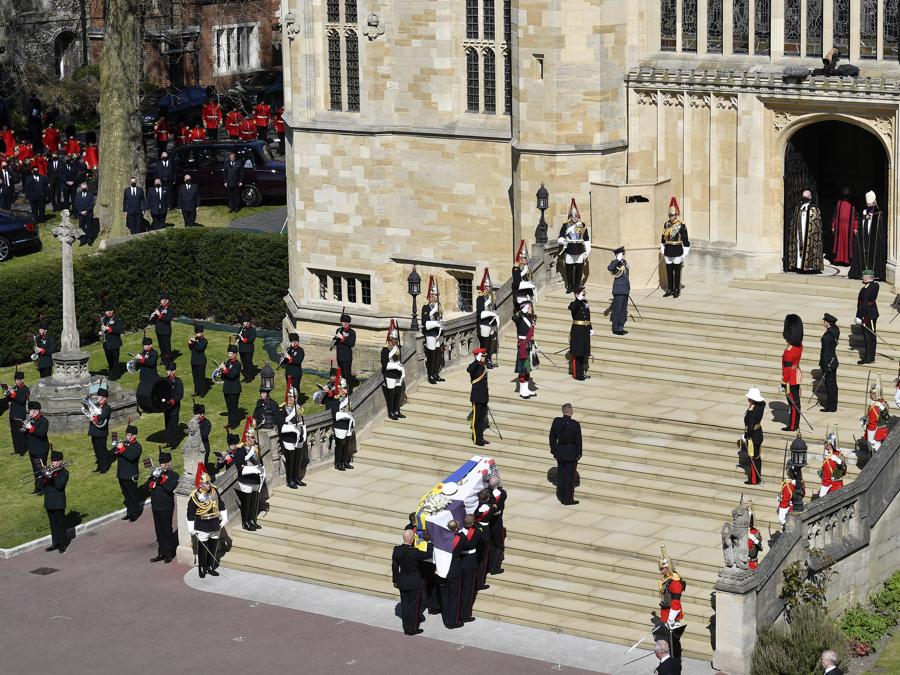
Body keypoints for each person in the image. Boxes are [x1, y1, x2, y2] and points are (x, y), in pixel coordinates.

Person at [186, 466, 227, 579]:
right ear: (200, 484)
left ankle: (210, 566)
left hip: (214, 523)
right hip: (202, 524)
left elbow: (221, 505)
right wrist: (191, 528)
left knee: (213, 547)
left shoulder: (214, 490)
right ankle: (202, 568)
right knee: (203, 549)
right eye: (206, 483)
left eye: (209, 482)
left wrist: (224, 518)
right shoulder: (195, 496)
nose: (208, 485)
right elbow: (190, 513)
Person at [392, 528, 434, 635]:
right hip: (414, 582)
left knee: (405, 605)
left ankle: (406, 627)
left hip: (402, 581)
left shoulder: (397, 550)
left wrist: (395, 580)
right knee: (414, 606)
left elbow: (395, 566)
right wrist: (428, 541)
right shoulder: (414, 552)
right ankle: (412, 628)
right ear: (412, 539)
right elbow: (428, 554)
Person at [148, 451, 179, 563]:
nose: (162, 465)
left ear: (169, 463)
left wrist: (161, 478)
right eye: (161, 463)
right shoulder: (155, 474)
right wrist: (154, 477)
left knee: (166, 530)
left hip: (166, 506)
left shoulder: (173, 475)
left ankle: (169, 553)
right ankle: (161, 552)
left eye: (165, 463)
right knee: (159, 531)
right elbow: (150, 486)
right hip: (155, 505)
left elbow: (170, 488)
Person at [655, 552, 686, 665]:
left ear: (668, 568)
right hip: (666, 613)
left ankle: (676, 660)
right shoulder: (667, 578)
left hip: (673, 616)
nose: (661, 571)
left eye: (662, 568)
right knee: (670, 640)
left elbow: (676, 604)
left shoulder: (675, 583)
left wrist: (670, 619)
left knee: (674, 642)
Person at [235, 422, 266, 530]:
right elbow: (240, 468)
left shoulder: (256, 449)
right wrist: (254, 469)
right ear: (247, 438)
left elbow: (259, 463)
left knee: (254, 502)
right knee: (246, 503)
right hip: (246, 480)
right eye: (252, 437)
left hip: (256, 479)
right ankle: (246, 522)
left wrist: (261, 470)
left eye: (254, 437)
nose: (254, 440)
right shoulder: (240, 450)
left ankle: (252, 520)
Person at [549, 403, 582, 505]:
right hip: (571, 453)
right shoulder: (575, 424)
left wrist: (554, 449)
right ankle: (567, 499)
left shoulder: (556, 421)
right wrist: (579, 453)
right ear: (571, 411)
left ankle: (561, 496)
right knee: (569, 478)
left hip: (560, 452)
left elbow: (552, 437)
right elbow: (578, 440)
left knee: (562, 475)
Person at [850, 191, 887, 280]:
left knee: (873, 255)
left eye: (871, 205)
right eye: (868, 205)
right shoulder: (863, 212)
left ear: (875, 203)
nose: (869, 207)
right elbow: (860, 223)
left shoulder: (879, 214)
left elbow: (880, 230)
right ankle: (862, 272)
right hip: (865, 238)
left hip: (874, 241)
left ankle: (875, 273)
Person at [557, 198, 591, 293]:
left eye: (576, 216)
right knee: (569, 269)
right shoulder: (565, 226)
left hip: (579, 249)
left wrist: (588, 250)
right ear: (570, 216)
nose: (574, 217)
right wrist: (563, 241)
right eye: (573, 216)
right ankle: (570, 286)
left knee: (579, 268)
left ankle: (577, 285)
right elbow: (560, 237)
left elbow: (586, 238)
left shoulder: (582, 225)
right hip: (569, 249)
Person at [786, 189, 823, 273]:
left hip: (809, 234)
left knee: (808, 247)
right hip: (799, 233)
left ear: (810, 197)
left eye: (806, 196)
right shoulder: (798, 207)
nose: (804, 198)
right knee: (799, 246)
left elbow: (817, 224)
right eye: (803, 196)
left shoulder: (814, 208)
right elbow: (793, 222)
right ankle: (798, 266)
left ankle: (809, 267)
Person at [40, 450, 69, 554]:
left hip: (58, 502)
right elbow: (42, 485)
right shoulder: (49, 471)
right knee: (53, 524)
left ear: (60, 461)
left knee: (60, 524)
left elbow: (59, 486)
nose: (53, 462)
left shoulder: (64, 473)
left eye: (55, 461)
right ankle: (55, 543)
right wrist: (44, 475)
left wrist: (51, 477)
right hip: (49, 501)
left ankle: (62, 544)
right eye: (52, 460)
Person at [661, 197, 690, 297]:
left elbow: (686, 240)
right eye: (669, 215)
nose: (671, 217)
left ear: (676, 215)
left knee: (677, 272)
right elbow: (663, 238)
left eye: (672, 215)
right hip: (668, 250)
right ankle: (670, 289)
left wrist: (685, 254)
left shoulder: (681, 225)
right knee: (669, 271)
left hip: (677, 250)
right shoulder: (666, 224)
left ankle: (677, 289)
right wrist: (662, 248)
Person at [438, 519, 464, 629]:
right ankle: (452, 622)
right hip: (454, 571)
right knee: (454, 597)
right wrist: (460, 533)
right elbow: (466, 544)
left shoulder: (441, 538)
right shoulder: (460, 538)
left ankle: (446, 619)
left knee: (445, 596)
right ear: (456, 528)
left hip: (442, 570)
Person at [113, 424, 143, 522]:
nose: (127, 437)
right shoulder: (125, 444)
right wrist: (117, 448)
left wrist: (122, 449)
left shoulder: (137, 447)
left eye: (129, 435)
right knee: (126, 495)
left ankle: (135, 513)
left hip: (130, 475)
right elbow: (117, 453)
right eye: (127, 435)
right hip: (122, 474)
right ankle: (129, 512)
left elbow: (131, 456)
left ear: (134, 436)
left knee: (133, 495)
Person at [280, 387, 307, 488]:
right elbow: (282, 423)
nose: (294, 399)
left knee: (297, 459)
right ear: (288, 396)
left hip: (298, 436)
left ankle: (296, 478)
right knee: (290, 460)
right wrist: (294, 412)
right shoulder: (283, 408)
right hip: (289, 437)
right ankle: (289, 480)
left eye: (295, 397)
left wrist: (304, 433)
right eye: (292, 397)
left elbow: (301, 421)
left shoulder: (298, 407)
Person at [781, 314, 804, 432]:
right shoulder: (799, 346)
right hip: (797, 374)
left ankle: (793, 425)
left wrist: (784, 382)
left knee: (793, 403)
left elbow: (787, 370)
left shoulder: (788, 352)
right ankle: (795, 423)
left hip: (790, 379)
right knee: (795, 401)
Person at [457, 514, 482, 624]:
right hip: (470, 561)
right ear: (472, 523)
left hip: (459, 561)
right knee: (467, 590)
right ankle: (464, 615)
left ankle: (456, 613)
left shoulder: (457, 532)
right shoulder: (477, 532)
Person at [740, 387, 766, 486]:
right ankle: (757, 477)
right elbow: (763, 402)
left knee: (753, 458)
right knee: (757, 457)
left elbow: (750, 427)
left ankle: (754, 479)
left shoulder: (752, 412)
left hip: (753, 436)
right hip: (758, 433)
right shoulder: (761, 405)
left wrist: (746, 436)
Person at [330, 369, 355, 470]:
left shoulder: (347, 399)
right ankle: (338, 463)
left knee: (347, 444)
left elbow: (350, 410)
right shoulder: (336, 400)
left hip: (347, 425)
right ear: (339, 388)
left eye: (346, 388)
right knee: (340, 445)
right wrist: (346, 416)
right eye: (344, 388)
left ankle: (345, 461)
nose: (346, 390)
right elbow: (335, 415)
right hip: (339, 425)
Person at [421, 276, 445, 385]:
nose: (437, 297)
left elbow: (440, 319)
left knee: (437, 355)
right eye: (435, 295)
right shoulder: (426, 308)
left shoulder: (439, 307)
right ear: (431, 296)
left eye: (437, 295)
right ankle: (430, 375)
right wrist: (434, 315)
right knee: (431, 356)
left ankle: (435, 373)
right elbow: (425, 323)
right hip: (430, 334)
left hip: (438, 334)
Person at [381, 321, 406, 420]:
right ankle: (391, 412)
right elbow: (385, 364)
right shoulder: (385, 350)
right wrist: (396, 366)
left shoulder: (398, 348)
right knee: (391, 394)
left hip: (398, 374)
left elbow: (399, 360)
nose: (395, 341)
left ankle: (397, 410)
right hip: (390, 374)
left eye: (396, 339)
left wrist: (401, 368)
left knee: (398, 393)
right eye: (394, 339)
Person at [23, 400, 50, 494]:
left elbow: (41, 434)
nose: (29, 413)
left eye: (31, 411)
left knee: (41, 469)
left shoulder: (43, 421)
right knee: (35, 469)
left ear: (36, 410)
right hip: (33, 449)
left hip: (41, 449)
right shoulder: (31, 420)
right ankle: (37, 488)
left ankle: (42, 488)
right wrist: (24, 427)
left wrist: (31, 428)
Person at [513, 302, 537, 399]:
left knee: (527, 369)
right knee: (523, 369)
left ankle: (526, 389)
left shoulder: (530, 318)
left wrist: (534, 344)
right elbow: (514, 318)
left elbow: (531, 333)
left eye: (531, 306)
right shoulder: (520, 318)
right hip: (523, 345)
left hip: (529, 345)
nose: (531, 308)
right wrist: (522, 311)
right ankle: (522, 391)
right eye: (529, 306)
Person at [475, 270, 499, 368]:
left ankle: (488, 360)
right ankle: (481, 362)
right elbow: (480, 313)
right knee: (484, 344)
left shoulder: (492, 297)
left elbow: (494, 309)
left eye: (490, 286)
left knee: (490, 343)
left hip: (491, 323)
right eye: (488, 286)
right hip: (484, 323)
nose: (489, 288)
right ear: (484, 287)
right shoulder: (480, 298)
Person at [855, 269, 879, 365]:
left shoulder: (866, 290)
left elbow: (864, 305)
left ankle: (869, 357)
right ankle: (870, 355)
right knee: (871, 335)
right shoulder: (875, 285)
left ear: (867, 277)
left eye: (863, 276)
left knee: (868, 336)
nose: (862, 278)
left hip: (867, 315)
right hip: (872, 312)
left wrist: (859, 317)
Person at [568, 287, 592, 380]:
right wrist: (577, 299)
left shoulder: (585, 303)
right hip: (577, 331)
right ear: (577, 294)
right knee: (578, 353)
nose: (584, 294)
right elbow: (572, 308)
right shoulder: (574, 303)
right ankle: (577, 374)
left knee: (583, 352)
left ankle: (582, 372)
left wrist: (590, 328)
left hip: (585, 330)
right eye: (582, 293)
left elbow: (588, 316)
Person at [3, 371, 29, 456]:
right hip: (13, 414)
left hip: (20, 414)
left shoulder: (26, 389)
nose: (16, 382)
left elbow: (21, 401)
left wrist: (13, 394)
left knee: (21, 433)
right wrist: (7, 393)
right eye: (16, 380)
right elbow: (10, 400)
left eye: (18, 380)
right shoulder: (15, 388)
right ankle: (17, 449)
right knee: (14, 434)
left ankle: (23, 450)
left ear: (22, 379)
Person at [468, 348, 490, 447]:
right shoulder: (474, 367)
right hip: (477, 397)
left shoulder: (483, 366)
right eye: (483, 356)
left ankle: (481, 438)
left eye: (484, 356)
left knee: (481, 419)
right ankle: (477, 439)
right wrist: (476, 360)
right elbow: (469, 370)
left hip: (484, 397)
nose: (484, 358)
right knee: (476, 420)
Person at [88, 386, 111, 473]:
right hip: (94, 431)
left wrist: (93, 418)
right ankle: (100, 466)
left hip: (101, 432)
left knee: (102, 450)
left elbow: (102, 416)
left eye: (102, 397)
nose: (100, 398)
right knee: (96, 450)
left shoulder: (107, 407)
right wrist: (89, 415)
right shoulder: (95, 405)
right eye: (99, 396)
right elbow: (90, 412)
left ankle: (105, 466)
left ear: (105, 398)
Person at [819, 313, 839, 412]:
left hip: (829, 363)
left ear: (828, 323)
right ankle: (833, 404)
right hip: (834, 361)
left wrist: (826, 365)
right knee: (833, 385)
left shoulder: (827, 336)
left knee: (830, 385)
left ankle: (831, 406)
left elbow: (826, 352)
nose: (823, 322)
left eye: (825, 321)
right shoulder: (835, 331)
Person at [831, 188, 856, 266]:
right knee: (839, 244)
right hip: (839, 227)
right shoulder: (839, 203)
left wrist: (855, 227)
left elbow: (856, 217)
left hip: (849, 228)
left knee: (847, 244)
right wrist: (833, 225)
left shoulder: (853, 204)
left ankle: (847, 261)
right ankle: (838, 260)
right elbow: (835, 215)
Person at [487, 476, 506, 574]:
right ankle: (494, 567)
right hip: (496, 523)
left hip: (486, 524)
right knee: (498, 545)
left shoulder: (485, 493)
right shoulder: (502, 494)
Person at [221, 344, 243, 428]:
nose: (229, 355)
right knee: (229, 407)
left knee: (234, 406)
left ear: (235, 354)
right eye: (228, 353)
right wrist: (220, 371)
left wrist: (224, 369)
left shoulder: (237, 364)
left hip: (234, 388)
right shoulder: (228, 362)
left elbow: (232, 375)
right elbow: (224, 376)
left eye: (230, 353)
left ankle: (235, 423)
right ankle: (230, 422)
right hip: (227, 388)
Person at [100, 302, 123, 379]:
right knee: (109, 360)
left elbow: (118, 330)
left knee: (115, 360)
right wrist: (101, 332)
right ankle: (111, 373)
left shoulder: (117, 318)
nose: (107, 312)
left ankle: (116, 374)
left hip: (114, 342)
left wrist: (108, 329)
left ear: (112, 311)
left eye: (109, 311)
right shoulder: (103, 319)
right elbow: (102, 329)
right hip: (106, 343)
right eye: (106, 311)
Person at [163, 362, 184, 448]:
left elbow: (180, 395)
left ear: (173, 371)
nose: (167, 372)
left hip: (174, 406)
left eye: (169, 371)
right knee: (167, 424)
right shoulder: (165, 380)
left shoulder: (178, 381)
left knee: (174, 425)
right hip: (166, 406)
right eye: (167, 371)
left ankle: (174, 443)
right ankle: (168, 441)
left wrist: (172, 401)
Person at [864, 383, 889, 453]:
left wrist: (869, 438)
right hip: (882, 430)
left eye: (871, 393)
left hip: (875, 433)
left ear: (875, 394)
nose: (870, 394)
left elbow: (872, 424)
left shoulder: (874, 408)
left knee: (874, 451)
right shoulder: (883, 402)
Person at [333, 313, 356, 387]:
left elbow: (351, 343)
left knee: (347, 375)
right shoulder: (339, 330)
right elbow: (337, 342)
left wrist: (342, 338)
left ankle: (348, 390)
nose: (342, 324)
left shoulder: (351, 332)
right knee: (341, 374)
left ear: (347, 323)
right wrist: (335, 340)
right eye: (342, 322)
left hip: (346, 357)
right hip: (339, 356)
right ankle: (342, 390)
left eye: (344, 322)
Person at [150, 292, 174, 362]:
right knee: (161, 346)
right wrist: (153, 316)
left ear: (167, 300)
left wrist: (159, 314)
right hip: (159, 330)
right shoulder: (160, 308)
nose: (161, 301)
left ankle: (169, 361)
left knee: (166, 347)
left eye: (163, 300)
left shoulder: (170, 308)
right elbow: (155, 320)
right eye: (161, 300)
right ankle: (163, 359)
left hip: (165, 331)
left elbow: (168, 318)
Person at [188, 323, 208, 397]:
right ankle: (196, 391)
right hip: (194, 361)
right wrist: (189, 343)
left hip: (201, 361)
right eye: (196, 333)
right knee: (195, 377)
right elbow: (191, 349)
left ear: (202, 333)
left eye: (198, 333)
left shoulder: (204, 341)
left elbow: (199, 348)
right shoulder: (195, 340)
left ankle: (202, 392)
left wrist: (194, 342)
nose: (197, 334)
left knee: (201, 377)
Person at [193, 403, 213, 473]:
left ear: (202, 414)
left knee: (203, 470)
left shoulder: (207, 423)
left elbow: (204, 436)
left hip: (203, 449)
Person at [237, 314, 257, 381]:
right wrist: (238, 337)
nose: (244, 323)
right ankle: (246, 375)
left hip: (248, 349)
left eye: (246, 322)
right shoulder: (241, 329)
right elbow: (237, 336)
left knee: (248, 363)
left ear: (249, 322)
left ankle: (250, 377)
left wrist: (242, 339)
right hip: (242, 349)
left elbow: (251, 339)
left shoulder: (252, 330)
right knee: (244, 363)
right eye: (243, 322)